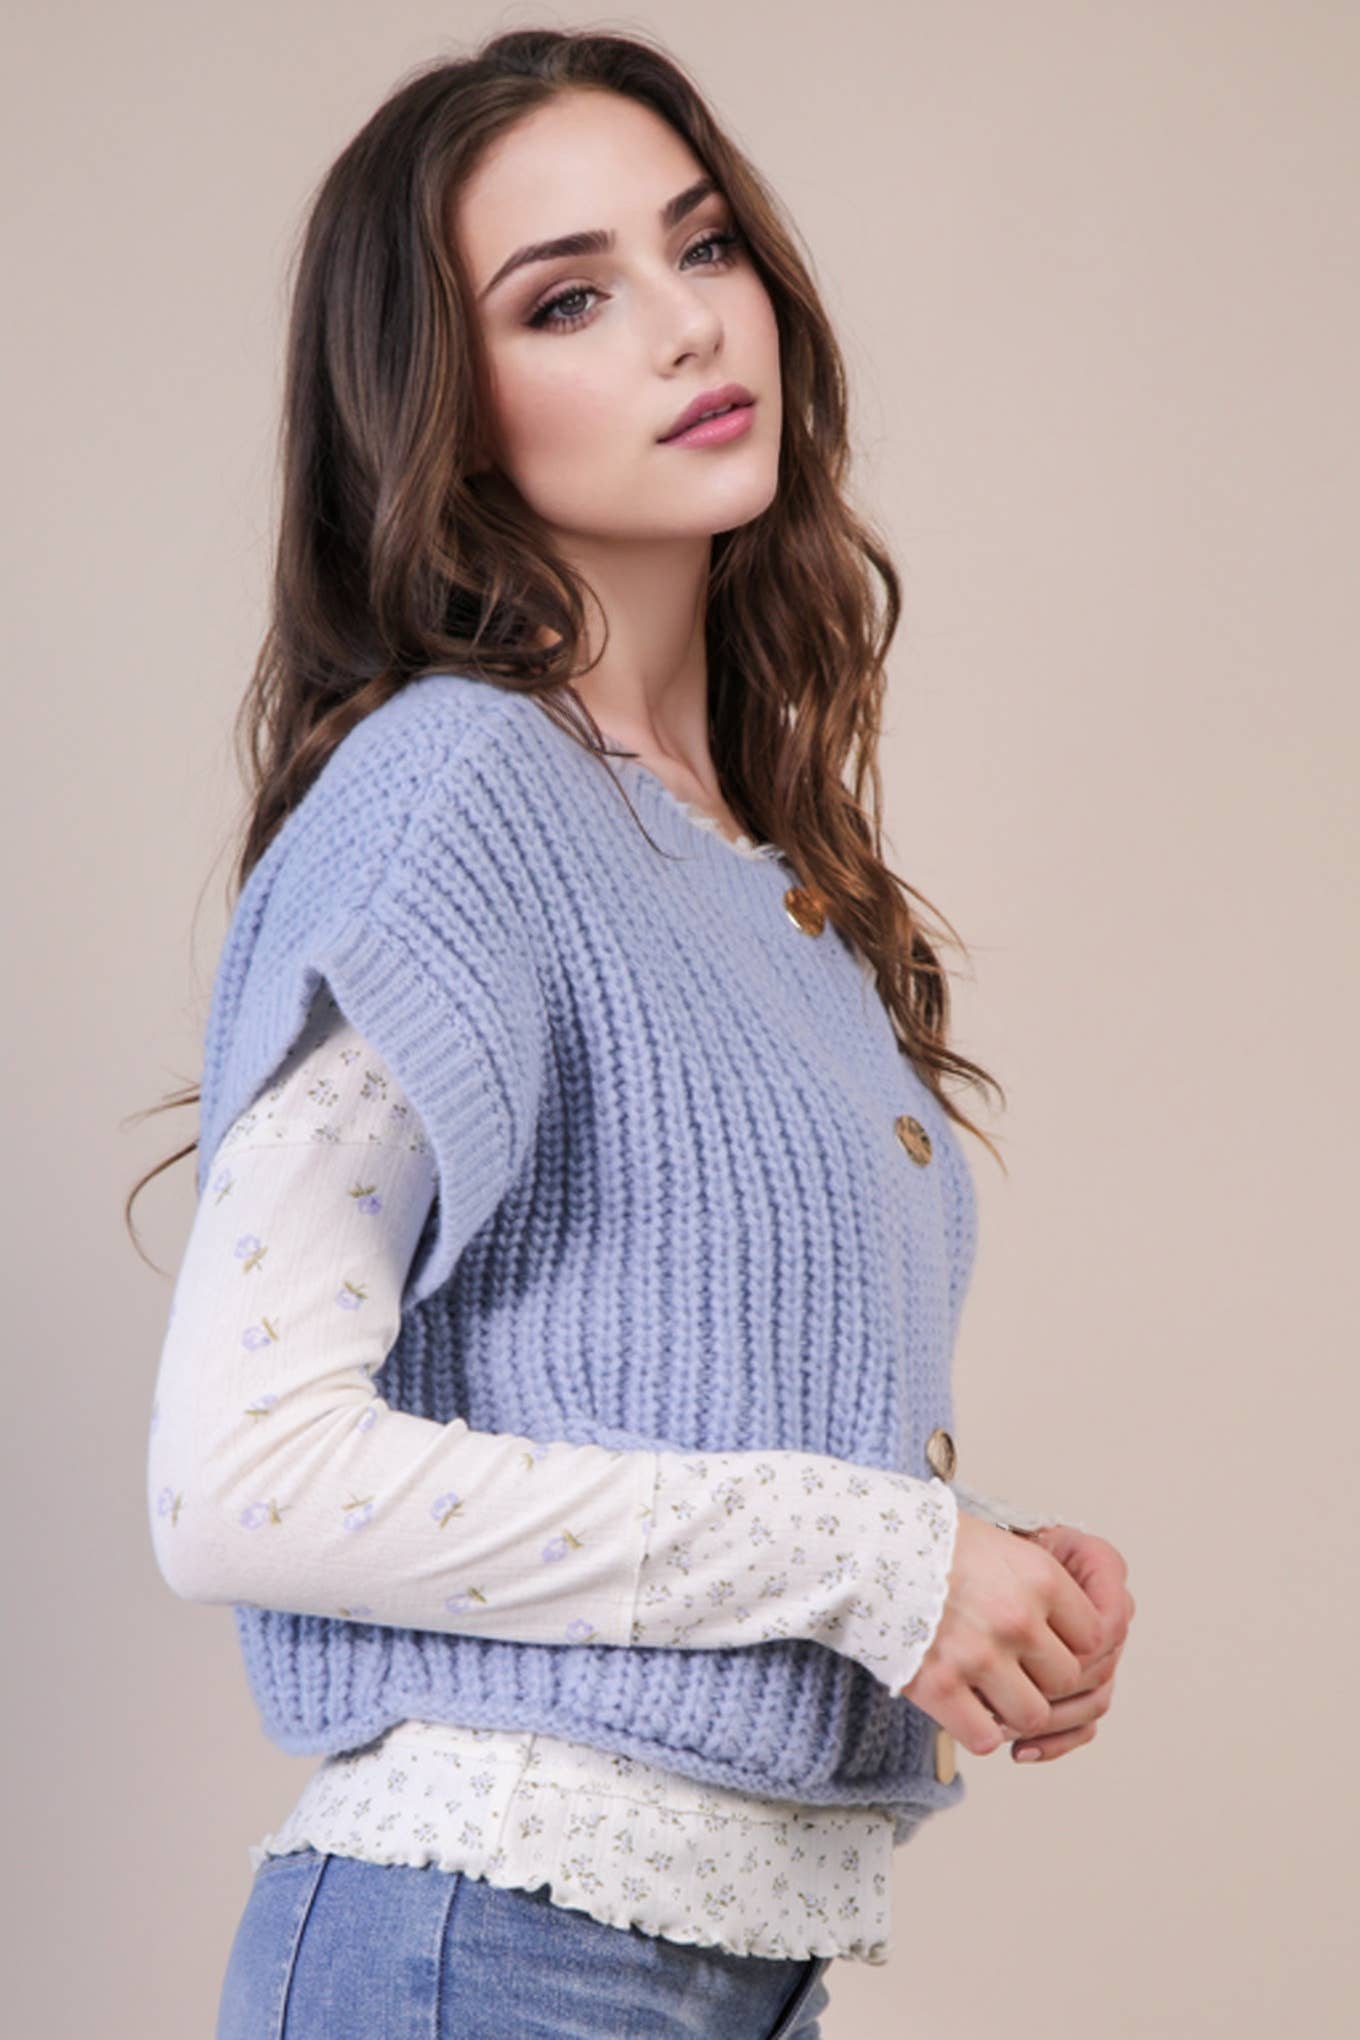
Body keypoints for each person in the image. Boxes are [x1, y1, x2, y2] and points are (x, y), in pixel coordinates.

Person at [132, 26, 1135, 2037]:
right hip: (492, 1950)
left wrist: (970, 1567)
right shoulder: (457, 790)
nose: (687, 326)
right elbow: (235, 1478)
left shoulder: (757, 861)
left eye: (703, 246)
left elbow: (649, 1404)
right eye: (566, 299)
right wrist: (871, 1556)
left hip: (702, 1970)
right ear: (444, 409)